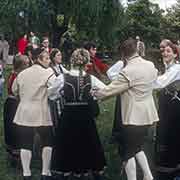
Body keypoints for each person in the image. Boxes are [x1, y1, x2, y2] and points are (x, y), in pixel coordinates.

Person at [92, 39, 159, 180]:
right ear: (136, 50)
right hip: (148, 114)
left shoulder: (128, 71)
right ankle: (148, 176)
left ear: (123, 54)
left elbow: (109, 90)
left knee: (127, 152)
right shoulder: (150, 65)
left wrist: (94, 93)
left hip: (133, 117)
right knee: (137, 147)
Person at [51, 48, 106, 180]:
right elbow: (105, 90)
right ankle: (85, 168)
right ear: (86, 62)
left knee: (68, 141)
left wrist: (61, 95)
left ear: (72, 61)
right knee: (86, 141)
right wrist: (93, 95)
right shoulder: (90, 78)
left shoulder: (62, 77)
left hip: (69, 114)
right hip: (85, 115)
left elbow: (52, 94)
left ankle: (68, 169)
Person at [12, 48, 64, 180]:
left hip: (24, 112)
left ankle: (26, 173)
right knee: (47, 141)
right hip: (41, 111)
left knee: (25, 143)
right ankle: (45, 173)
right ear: (38, 59)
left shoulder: (22, 74)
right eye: (46, 58)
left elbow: (14, 90)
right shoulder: (48, 73)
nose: (48, 61)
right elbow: (56, 88)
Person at [154, 42, 180, 180]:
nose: (165, 53)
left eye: (169, 51)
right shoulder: (169, 67)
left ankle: (171, 166)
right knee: (165, 131)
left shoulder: (176, 68)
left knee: (171, 133)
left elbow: (160, 83)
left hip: (173, 107)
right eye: (164, 51)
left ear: (175, 54)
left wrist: (142, 81)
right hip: (167, 105)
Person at [3, 54, 29, 161]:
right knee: (14, 128)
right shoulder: (17, 76)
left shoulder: (15, 74)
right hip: (14, 104)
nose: (28, 65)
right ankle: (16, 153)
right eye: (27, 63)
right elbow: (15, 91)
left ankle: (16, 152)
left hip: (12, 103)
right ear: (21, 65)